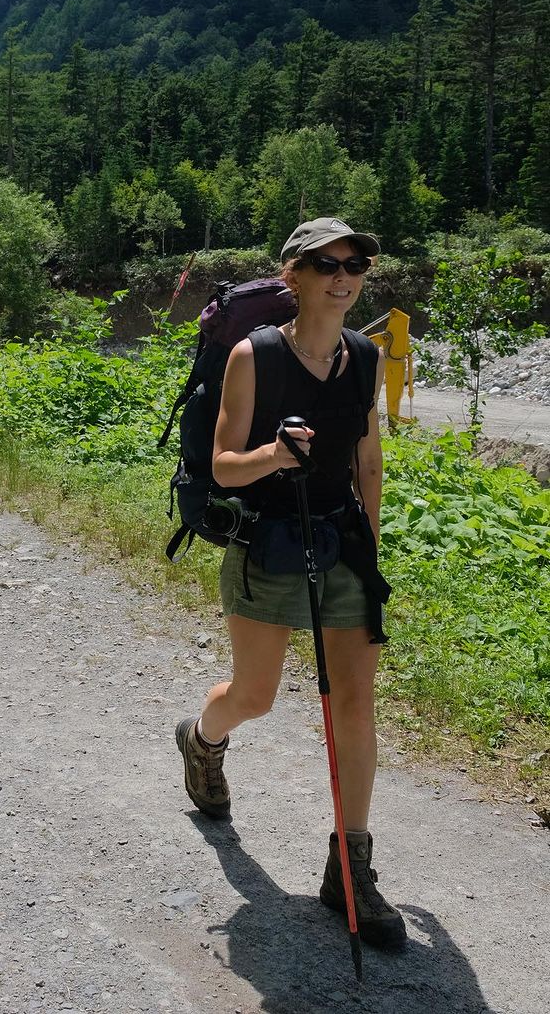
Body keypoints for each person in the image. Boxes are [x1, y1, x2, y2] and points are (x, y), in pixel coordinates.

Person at [174, 217, 406, 950]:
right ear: (293, 276)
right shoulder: (255, 357)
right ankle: (204, 740)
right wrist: (275, 455)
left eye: (356, 264)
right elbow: (222, 466)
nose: (344, 276)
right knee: (257, 696)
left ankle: (350, 865)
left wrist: (370, 543)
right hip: (266, 539)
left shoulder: (366, 356)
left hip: (342, 541)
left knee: (356, 705)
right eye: (326, 263)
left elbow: (368, 456)